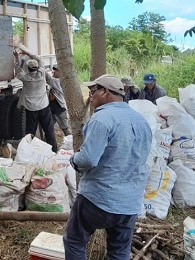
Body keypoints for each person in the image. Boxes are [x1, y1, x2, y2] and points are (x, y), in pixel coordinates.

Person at [64, 74, 152, 260]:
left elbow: (87, 159)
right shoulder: (141, 121)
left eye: (93, 91)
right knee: (119, 251)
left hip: (99, 198)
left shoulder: (102, 119)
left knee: (74, 240)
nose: (91, 96)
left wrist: (74, 159)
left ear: (104, 91)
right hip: (129, 202)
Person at [13, 47, 58, 151]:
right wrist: (28, 52)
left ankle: (29, 151)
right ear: (37, 67)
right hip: (43, 107)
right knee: (49, 130)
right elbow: (40, 60)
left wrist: (17, 56)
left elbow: (17, 69)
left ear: (28, 69)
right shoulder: (42, 74)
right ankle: (54, 150)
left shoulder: (25, 78)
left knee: (30, 132)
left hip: (31, 108)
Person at [46, 65, 71, 138]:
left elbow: (48, 78)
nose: (54, 71)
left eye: (56, 70)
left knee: (65, 128)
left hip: (59, 109)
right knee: (49, 128)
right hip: (52, 109)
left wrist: (41, 69)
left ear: (61, 73)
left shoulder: (58, 81)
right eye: (54, 70)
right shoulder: (58, 80)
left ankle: (71, 142)